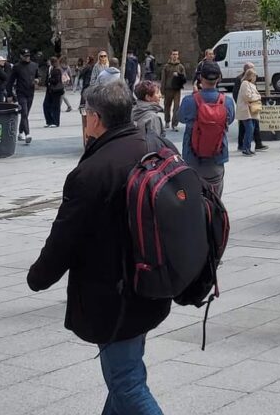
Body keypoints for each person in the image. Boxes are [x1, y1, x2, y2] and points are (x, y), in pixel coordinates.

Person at [27, 80, 170, 414]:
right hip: (153, 280)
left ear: (95, 118)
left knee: (128, 385)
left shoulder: (93, 171)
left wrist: (38, 277)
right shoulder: (155, 145)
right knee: (126, 375)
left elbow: (65, 236)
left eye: (85, 112)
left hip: (114, 294)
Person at [177, 64, 234, 196]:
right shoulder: (227, 102)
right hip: (217, 158)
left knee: (194, 198)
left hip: (192, 157)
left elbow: (180, 119)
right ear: (219, 78)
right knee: (215, 198)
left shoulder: (189, 101)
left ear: (200, 78)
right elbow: (229, 121)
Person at [7, 48, 38, 145]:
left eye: (28, 56)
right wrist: (10, 94)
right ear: (21, 56)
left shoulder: (34, 65)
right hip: (21, 93)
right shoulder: (17, 67)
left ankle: (20, 132)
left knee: (26, 113)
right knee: (24, 112)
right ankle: (27, 134)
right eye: (25, 56)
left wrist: (37, 80)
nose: (27, 58)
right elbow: (10, 81)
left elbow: (37, 76)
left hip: (30, 92)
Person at [234, 64, 267, 152]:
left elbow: (256, 94)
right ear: (251, 76)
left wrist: (256, 96)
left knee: (251, 128)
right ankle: (245, 148)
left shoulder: (251, 84)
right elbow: (248, 96)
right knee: (249, 129)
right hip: (245, 110)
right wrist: (257, 97)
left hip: (251, 110)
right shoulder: (244, 83)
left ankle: (247, 147)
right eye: (254, 76)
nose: (256, 77)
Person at [43, 58, 65, 128]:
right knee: (46, 105)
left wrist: (49, 80)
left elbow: (56, 80)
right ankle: (49, 121)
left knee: (55, 106)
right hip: (50, 90)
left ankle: (55, 122)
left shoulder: (57, 70)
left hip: (56, 90)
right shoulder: (50, 69)